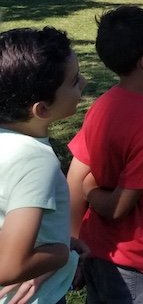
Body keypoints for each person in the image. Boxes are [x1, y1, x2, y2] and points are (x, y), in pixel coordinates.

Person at [66, 6, 143, 304]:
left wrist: (73, 245)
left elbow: (75, 174)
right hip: (136, 263)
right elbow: (116, 207)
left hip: (94, 250)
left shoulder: (102, 106)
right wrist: (90, 190)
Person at [0, 27, 89, 304]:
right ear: (42, 110)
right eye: (74, 81)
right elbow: (10, 266)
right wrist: (61, 252)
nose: (84, 83)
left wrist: (60, 236)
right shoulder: (36, 161)